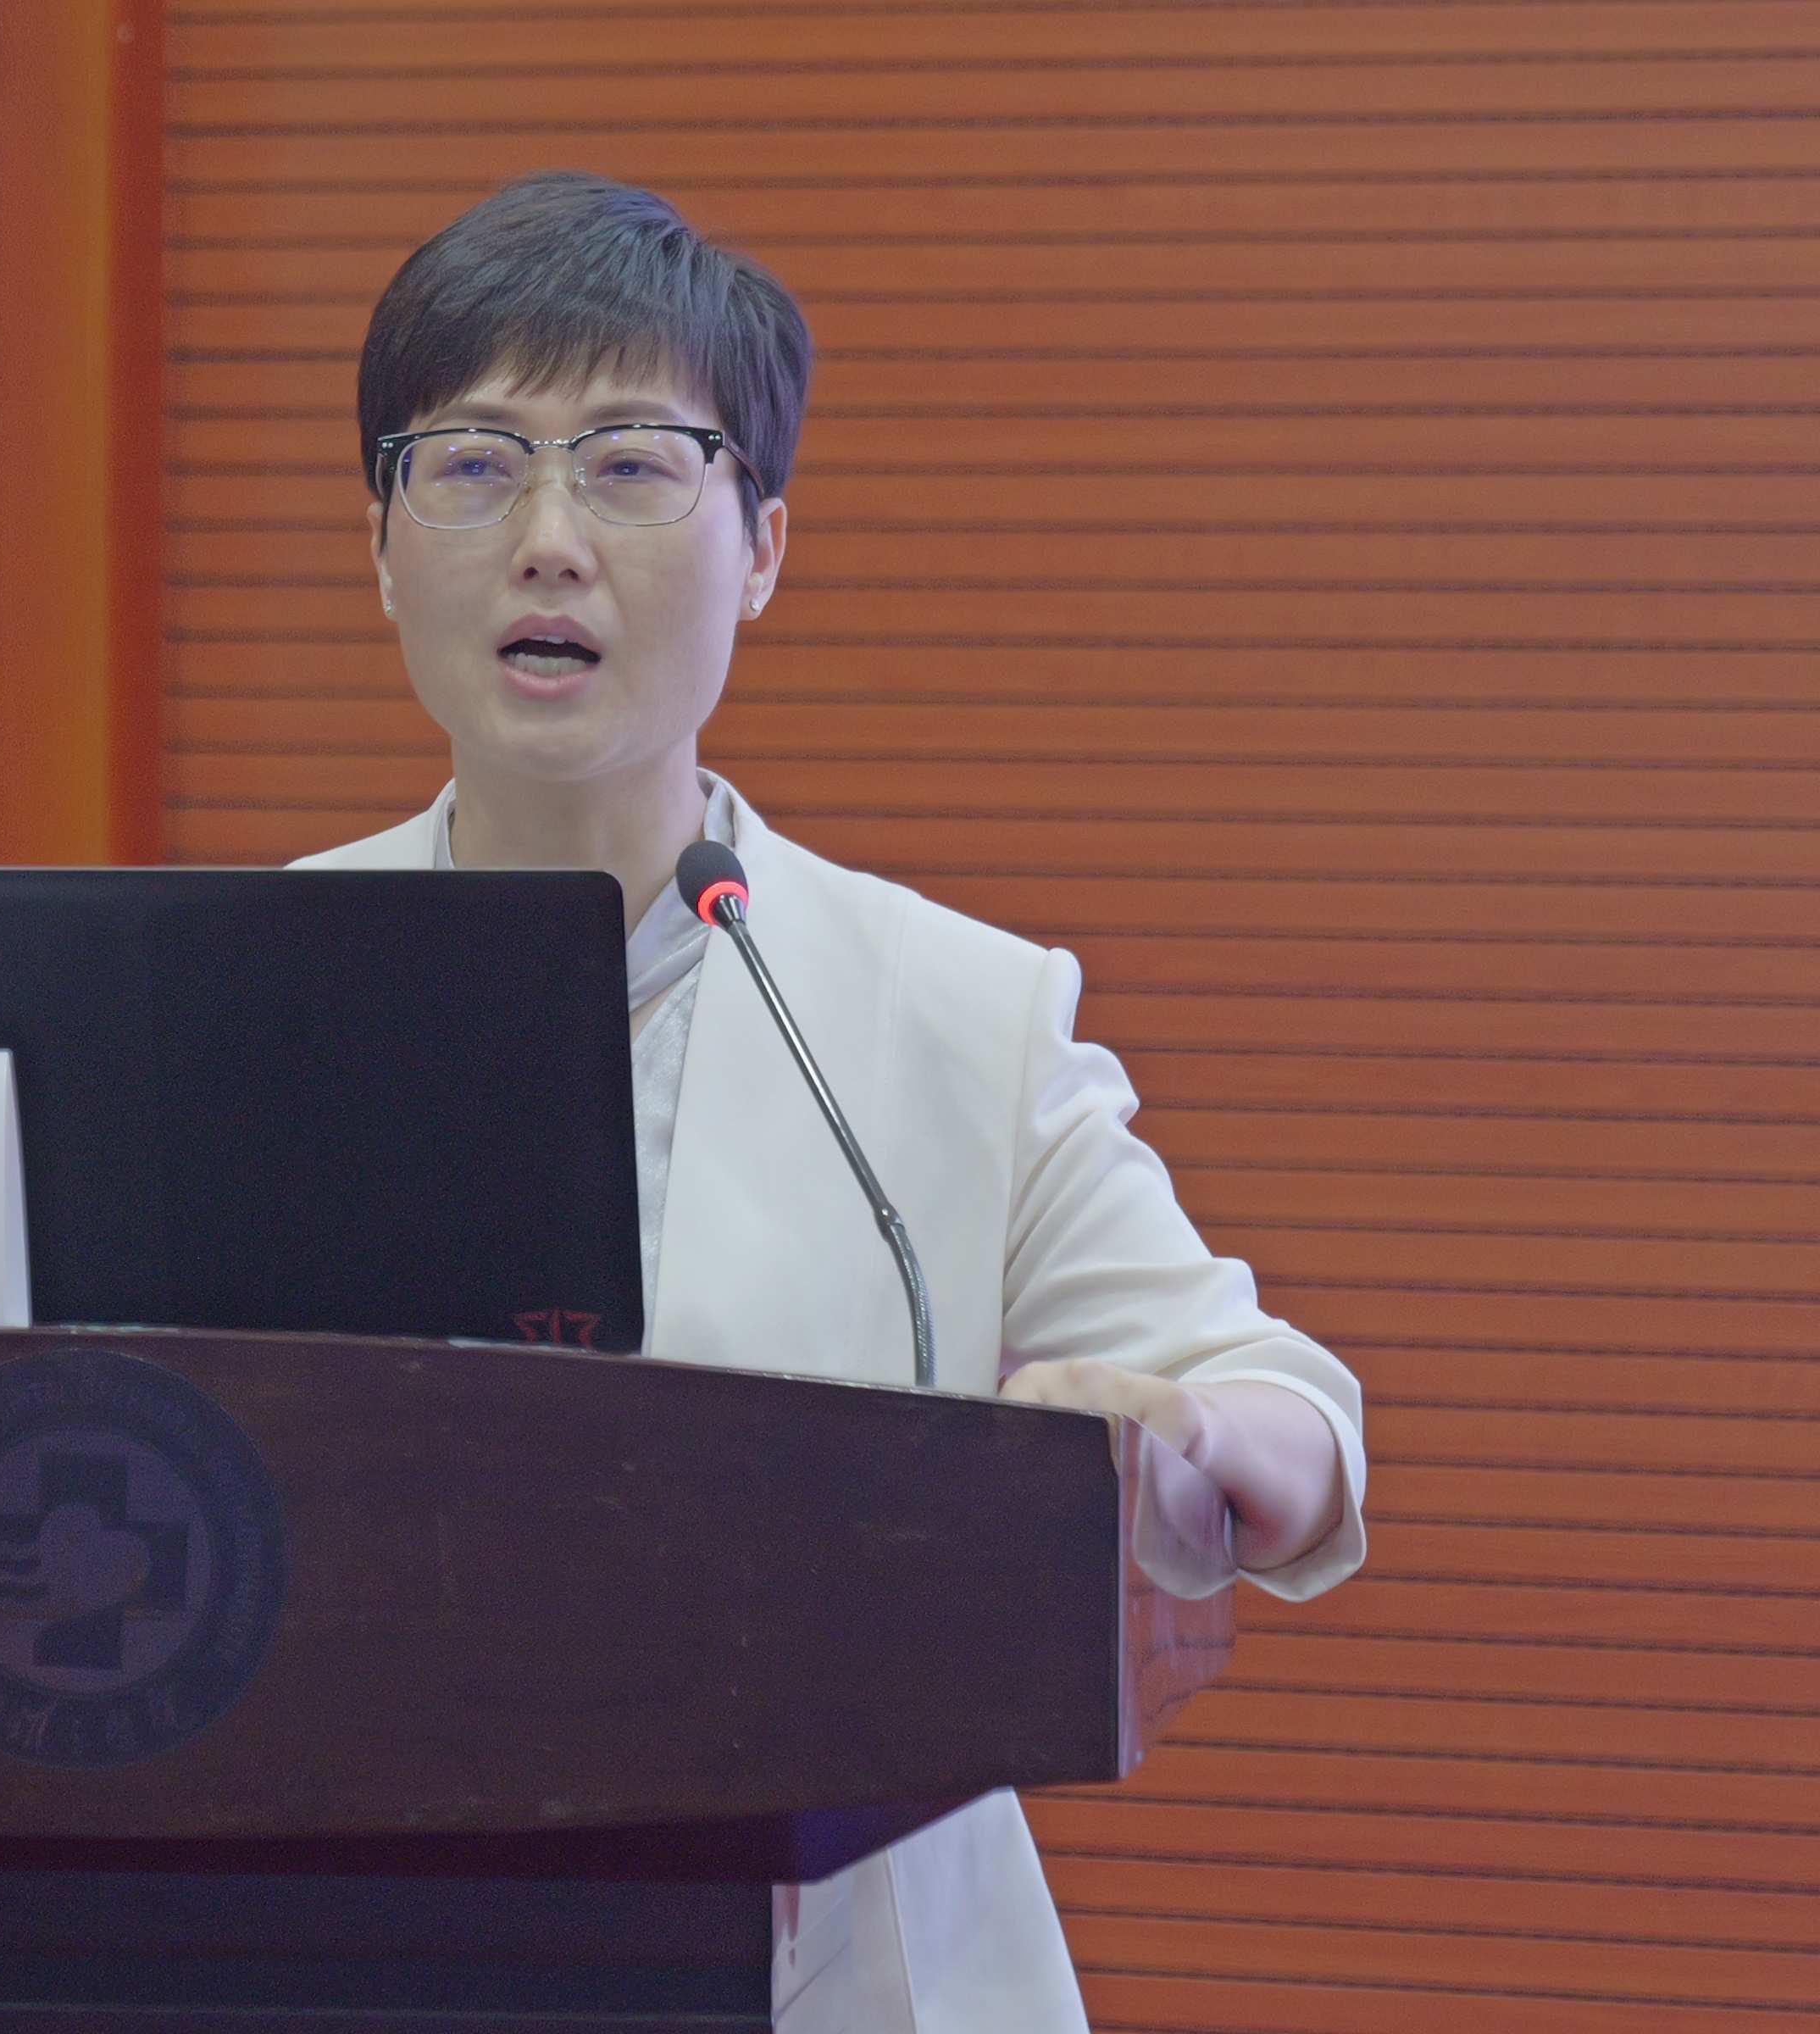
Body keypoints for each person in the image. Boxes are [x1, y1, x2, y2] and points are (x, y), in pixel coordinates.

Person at [291, 170, 1368, 2033]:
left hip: (842, 1970)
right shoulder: (254, 984)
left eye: (631, 466)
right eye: (471, 464)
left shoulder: (950, 1006)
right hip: (349, 1940)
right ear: (384, 547)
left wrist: (1183, 1430)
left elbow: (1297, 1416)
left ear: (764, 548)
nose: (548, 541)